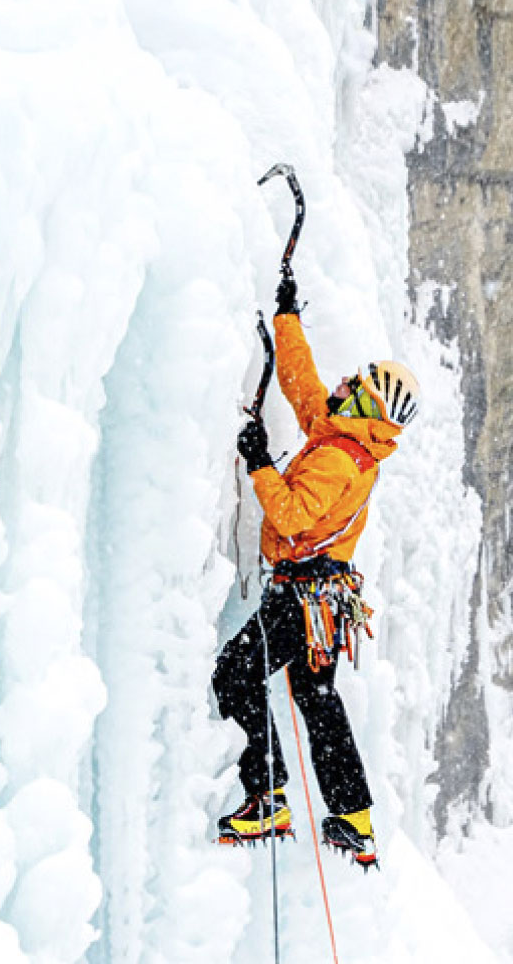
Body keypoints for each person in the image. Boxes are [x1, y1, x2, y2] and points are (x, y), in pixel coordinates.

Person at [212, 275, 419, 868]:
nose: (347, 382)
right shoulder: (346, 439)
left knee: (234, 675)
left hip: (301, 596)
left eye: (358, 384)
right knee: (317, 698)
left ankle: (267, 796)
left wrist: (257, 464)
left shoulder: (337, 458)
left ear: (369, 403)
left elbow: (291, 513)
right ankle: (354, 818)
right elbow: (305, 392)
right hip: (323, 603)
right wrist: (287, 319)